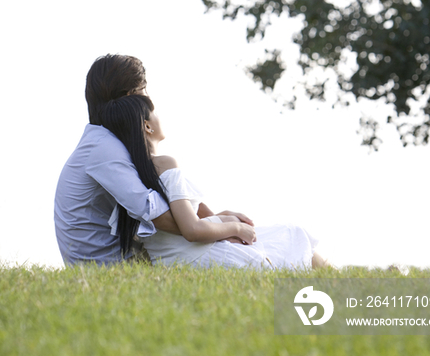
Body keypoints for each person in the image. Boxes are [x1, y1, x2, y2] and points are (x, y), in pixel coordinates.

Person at [101, 94, 327, 270]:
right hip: (200, 255)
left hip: (176, 259)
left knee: (288, 235)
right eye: (155, 113)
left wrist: (221, 218)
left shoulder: (131, 177)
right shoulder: (165, 165)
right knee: (291, 234)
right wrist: (236, 227)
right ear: (147, 126)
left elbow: (183, 221)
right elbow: (192, 230)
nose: (160, 116)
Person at [54, 54, 177, 265]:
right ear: (131, 97)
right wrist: (214, 226)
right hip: (106, 268)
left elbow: (167, 198)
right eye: (143, 92)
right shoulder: (104, 148)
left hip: (118, 262)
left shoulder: (106, 142)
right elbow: (156, 215)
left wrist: (214, 220)